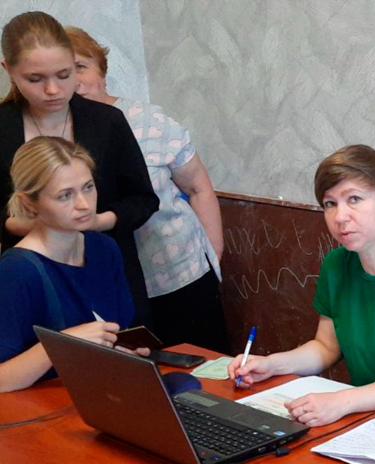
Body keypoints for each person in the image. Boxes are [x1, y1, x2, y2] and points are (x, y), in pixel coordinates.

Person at [228, 145, 375, 426]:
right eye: (330, 203)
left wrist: (342, 401)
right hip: (369, 417)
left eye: (354, 199)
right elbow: (325, 347)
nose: (340, 216)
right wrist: (271, 365)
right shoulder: (336, 264)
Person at [66, 26, 227, 351]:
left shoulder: (149, 121)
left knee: (205, 368)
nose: (75, 81)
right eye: (65, 72)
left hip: (180, 274)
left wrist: (211, 258)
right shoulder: (55, 135)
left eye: (81, 66)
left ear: (102, 72)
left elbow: (199, 188)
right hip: (111, 287)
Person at [0, 11, 158, 326]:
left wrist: (96, 222)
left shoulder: (107, 121)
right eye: (35, 79)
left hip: (107, 268)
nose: (53, 90)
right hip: (34, 278)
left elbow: (142, 199)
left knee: (125, 345)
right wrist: (40, 227)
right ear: (9, 70)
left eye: (64, 74)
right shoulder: (3, 128)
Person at [0, 137, 135, 392]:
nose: (84, 204)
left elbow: (118, 332)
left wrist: (126, 350)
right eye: (65, 196)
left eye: (88, 187)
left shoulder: (104, 248)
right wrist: (62, 343)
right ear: (29, 203)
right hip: (40, 406)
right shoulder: (16, 270)